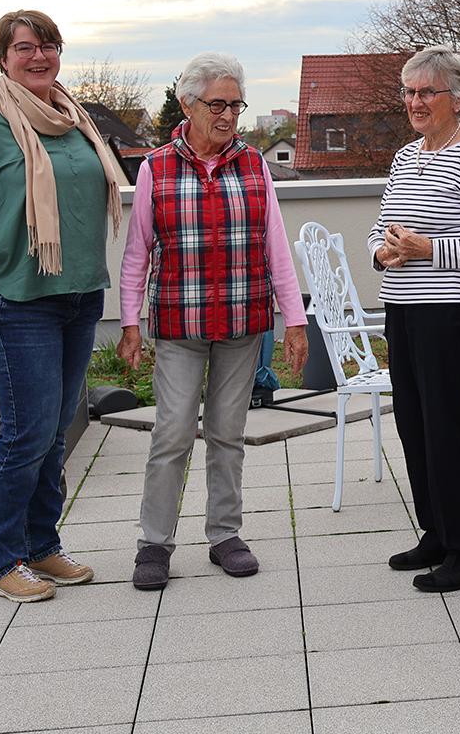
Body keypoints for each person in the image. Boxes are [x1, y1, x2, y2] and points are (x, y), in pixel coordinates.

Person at [118, 53, 308, 590]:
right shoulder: (157, 166)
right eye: (217, 104)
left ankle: (225, 534)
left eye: (235, 104)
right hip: (179, 323)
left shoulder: (254, 165)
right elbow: (137, 254)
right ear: (188, 103)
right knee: (173, 431)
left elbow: (275, 248)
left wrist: (294, 321)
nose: (227, 115)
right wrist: (130, 323)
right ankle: (153, 543)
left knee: (228, 433)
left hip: (244, 322)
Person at [368, 46, 460, 594]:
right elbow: (379, 230)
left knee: (444, 428)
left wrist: (428, 249)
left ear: (459, 98)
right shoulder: (406, 158)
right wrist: (381, 253)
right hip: (402, 307)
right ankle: (438, 533)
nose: (415, 101)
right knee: (413, 425)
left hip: (448, 310)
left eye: (427, 91)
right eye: (409, 92)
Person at [0, 10, 122, 603]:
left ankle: (43, 544)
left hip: (79, 292)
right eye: (25, 47)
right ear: (3, 57)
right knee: (26, 432)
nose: (39, 56)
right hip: (18, 296)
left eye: (48, 45)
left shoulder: (75, 120)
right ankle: (2, 559)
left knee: (53, 432)